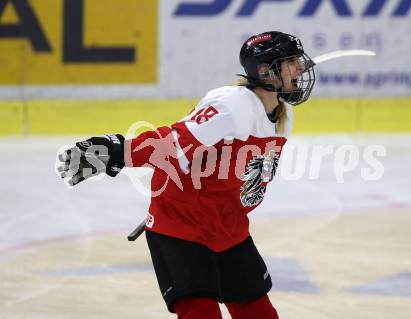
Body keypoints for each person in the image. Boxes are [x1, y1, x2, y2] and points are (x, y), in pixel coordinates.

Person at [57, 31, 316, 319]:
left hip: (228, 228)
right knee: (201, 313)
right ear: (266, 70)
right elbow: (170, 144)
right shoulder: (232, 105)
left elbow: (244, 177)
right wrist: (115, 152)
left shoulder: (282, 116)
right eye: (291, 61)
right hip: (180, 227)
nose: (301, 68)